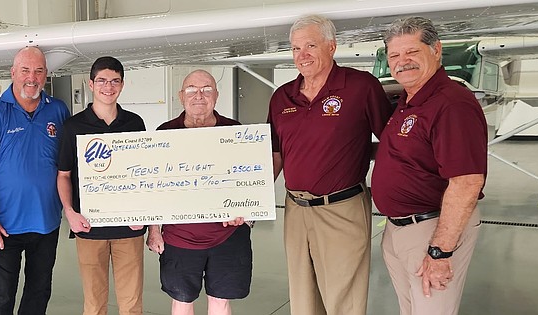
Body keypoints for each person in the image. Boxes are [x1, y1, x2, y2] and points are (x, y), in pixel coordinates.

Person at [267, 14, 393, 315]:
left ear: (332, 46)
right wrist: (248, 198)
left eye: (311, 45)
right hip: (295, 210)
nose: (303, 55)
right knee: (303, 298)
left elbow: (390, 142)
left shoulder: (361, 87)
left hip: (342, 208)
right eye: (296, 49)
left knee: (343, 299)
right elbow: (275, 154)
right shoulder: (282, 97)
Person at [372, 16, 486, 315]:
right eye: (394, 55)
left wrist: (440, 251)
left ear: (436, 49)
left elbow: (467, 182)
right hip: (400, 229)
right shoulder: (410, 100)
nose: (402, 62)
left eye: (411, 52)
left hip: (431, 230)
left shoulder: (451, 104)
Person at [0, 46, 70, 315]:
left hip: (46, 223)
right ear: (13, 73)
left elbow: (69, 165)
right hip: (5, 226)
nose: (31, 77)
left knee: (39, 292)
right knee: (3, 295)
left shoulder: (58, 111)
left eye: (38, 71)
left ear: (46, 75)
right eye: (25, 70)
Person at [145, 69, 252, 315]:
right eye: (192, 90)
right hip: (179, 237)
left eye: (206, 89)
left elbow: (249, 180)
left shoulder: (236, 132)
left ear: (217, 95)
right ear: (181, 96)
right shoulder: (164, 134)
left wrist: (247, 213)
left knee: (220, 300)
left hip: (228, 235)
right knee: (182, 300)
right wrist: (153, 230)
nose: (199, 96)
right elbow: (153, 187)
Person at [56, 56, 147, 315]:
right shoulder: (73, 126)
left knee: (131, 304)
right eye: (102, 81)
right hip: (89, 226)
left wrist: (146, 217)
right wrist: (70, 213)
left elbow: (144, 175)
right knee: (94, 304)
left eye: (115, 81)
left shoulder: (134, 124)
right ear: (91, 84)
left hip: (129, 227)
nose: (109, 87)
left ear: (122, 84)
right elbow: (63, 174)